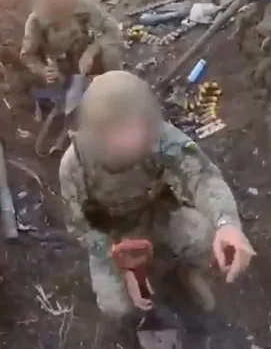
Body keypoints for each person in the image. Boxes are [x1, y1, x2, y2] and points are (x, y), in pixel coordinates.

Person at [58, 70, 255, 346]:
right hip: (111, 235)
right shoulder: (74, 165)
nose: (136, 138)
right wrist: (121, 265)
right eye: (122, 130)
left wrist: (227, 223)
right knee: (116, 305)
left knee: (205, 238)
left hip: (157, 212)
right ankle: (137, 312)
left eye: (138, 126)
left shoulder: (157, 136)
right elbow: (80, 226)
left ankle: (182, 272)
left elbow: (201, 175)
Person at [19, 0, 126, 86]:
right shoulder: (36, 20)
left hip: (83, 60)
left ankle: (113, 84)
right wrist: (43, 71)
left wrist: (91, 51)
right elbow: (27, 56)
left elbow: (113, 30)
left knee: (111, 52)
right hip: (59, 67)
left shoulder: (83, 6)